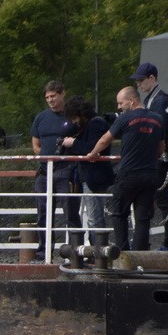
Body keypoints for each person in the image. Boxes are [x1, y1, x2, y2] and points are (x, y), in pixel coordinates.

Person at [86, 86, 164, 252]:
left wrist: (93, 154)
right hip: (150, 174)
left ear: (132, 100)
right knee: (143, 218)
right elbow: (161, 148)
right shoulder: (158, 119)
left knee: (119, 213)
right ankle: (140, 254)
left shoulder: (125, 118)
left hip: (128, 173)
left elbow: (105, 139)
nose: (119, 107)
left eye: (121, 103)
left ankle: (123, 252)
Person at [131, 62, 168, 249]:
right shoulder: (153, 100)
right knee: (161, 198)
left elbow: (157, 128)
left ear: (152, 78)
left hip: (164, 156)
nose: (139, 84)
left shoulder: (160, 100)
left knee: (163, 199)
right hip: (162, 155)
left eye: (141, 80)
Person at [30, 80, 81, 260]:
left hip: (66, 169)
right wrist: (42, 154)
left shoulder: (72, 116)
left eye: (53, 96)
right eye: (47, 97)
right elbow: (35, 143)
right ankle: (44, 252)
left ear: (62, 94)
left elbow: (83, 139)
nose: (50, 100)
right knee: (43, 214)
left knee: (71, 213)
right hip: (44, 171)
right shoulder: (41, 117)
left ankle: (77, 252)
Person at [61, 96, 114, 246]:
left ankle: (99, 253)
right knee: (93, 216)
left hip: (94, 176)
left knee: (94, 217)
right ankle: (97, 251)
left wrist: (73, 143)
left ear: (81, 114)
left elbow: (91, 149)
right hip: (88, 176)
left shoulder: (96, 124)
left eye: (74, 118)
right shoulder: (88, 125)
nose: (73, 122)